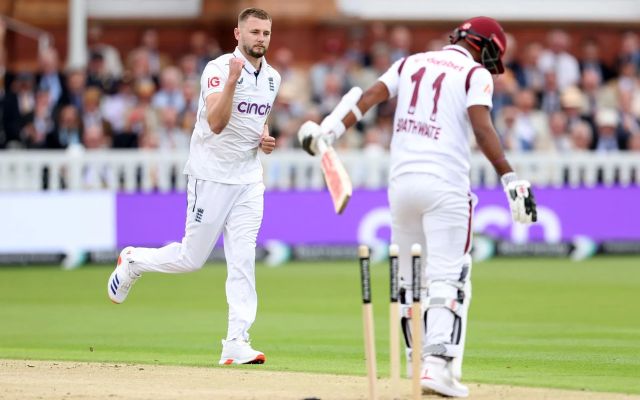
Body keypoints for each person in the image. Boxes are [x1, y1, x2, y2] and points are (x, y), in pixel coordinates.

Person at [300, 17, 537, 397]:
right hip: (445, 185)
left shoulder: (410, 62)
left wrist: (328, 132)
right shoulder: (476, 74)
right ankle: (438, 367)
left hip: (401, 185)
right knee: (449, 277)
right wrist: (510, 177)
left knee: (410, 279)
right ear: (485, 47)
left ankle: (416, 365)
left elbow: (367, 99)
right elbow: (482, 128)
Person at [107, 7, 279, 366]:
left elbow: (255, 121)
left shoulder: (273, 78)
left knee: (243, 260)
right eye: (254, 32)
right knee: (191, 259)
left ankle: (236, 340)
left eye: (265, 32)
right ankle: (134, 260)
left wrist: (263, 138)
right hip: (211, 175)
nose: (260, 38)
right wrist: (234, 80)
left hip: (248, 179)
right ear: (238, 34)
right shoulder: (218, 70)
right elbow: (216, 123)